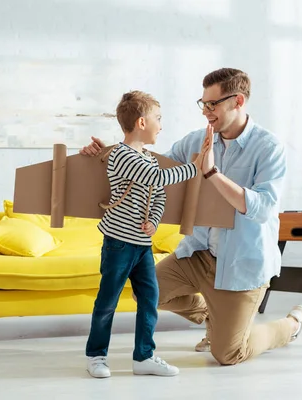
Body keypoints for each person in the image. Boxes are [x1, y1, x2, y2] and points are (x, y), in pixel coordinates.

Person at [80, 68, 302, 367]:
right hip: (198, 253)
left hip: (241, 263)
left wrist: (212, 172)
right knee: (145, 292)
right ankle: (212, 313)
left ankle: (290, 326)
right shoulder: (195, 141)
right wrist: (103, 154)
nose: (206, 112)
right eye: (202, 103)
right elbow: (149, 170)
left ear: (238, 101)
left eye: (212, 104)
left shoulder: (268, 148)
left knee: (228, 354)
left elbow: (263, 208)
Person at [85, 90, 211, 378]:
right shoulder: (122, 155)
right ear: (142, 123)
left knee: (150, 299)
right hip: (118, 243)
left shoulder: (149, 159)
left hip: (142, 244)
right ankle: (96, 356)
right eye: (158, 118)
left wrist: (153, 221)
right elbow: (158, 179)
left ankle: (144, 356)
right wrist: (195, 166)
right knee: (108, 301)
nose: (161, 125)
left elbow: (159, 197)